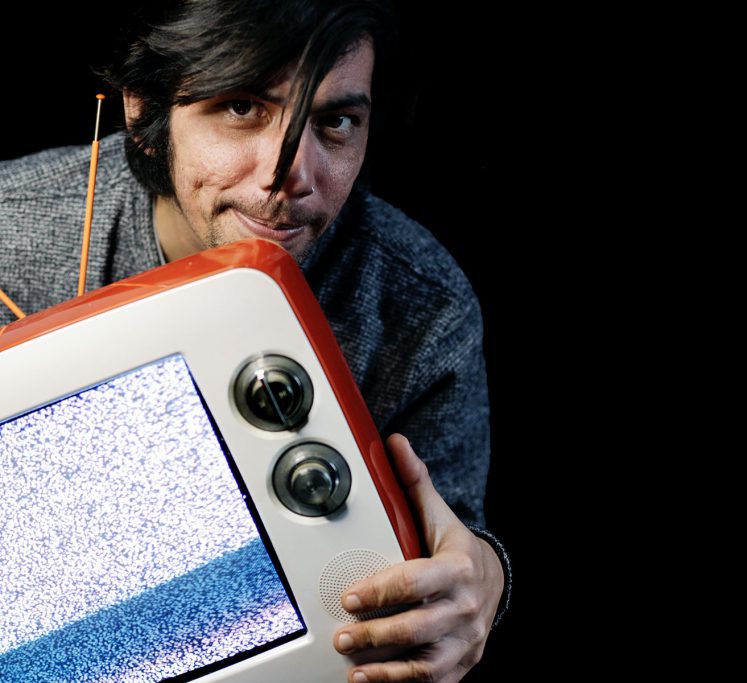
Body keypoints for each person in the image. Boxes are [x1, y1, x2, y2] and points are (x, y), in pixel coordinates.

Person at [0, 1, 509, 681]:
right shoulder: (8, 234)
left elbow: (452, 548)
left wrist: (487, 577)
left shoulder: (423, 308)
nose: (289, 173)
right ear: (145, 113)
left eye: (334, 121)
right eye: (241, 108)